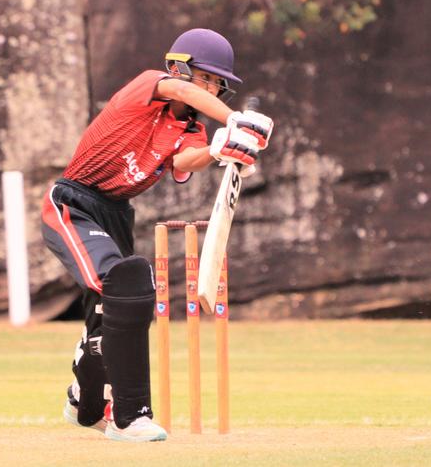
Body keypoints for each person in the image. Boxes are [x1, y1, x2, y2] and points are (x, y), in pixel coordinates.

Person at [41, 28, 274, 442]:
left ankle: (86, 401)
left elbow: (186, 160)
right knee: (125, 284)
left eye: (218, 85)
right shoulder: (149, 85)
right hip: (73, 203)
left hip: (116, 215)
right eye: (206, 79)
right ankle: (130, 417)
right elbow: (173, 87)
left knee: (118, 310)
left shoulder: (191, 129)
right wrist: (235, 120)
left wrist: (222, 149)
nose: (213, 90)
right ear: (179, 68)